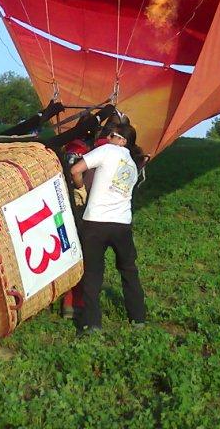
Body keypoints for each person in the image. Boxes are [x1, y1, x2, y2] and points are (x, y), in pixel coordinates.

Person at [68, 121, 146, 334]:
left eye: (111, 135)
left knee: (93, 273)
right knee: (129, 270)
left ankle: (92, 323)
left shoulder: (107, 150)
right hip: (122, 224)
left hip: (96, 222)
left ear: (121, 140)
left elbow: (75, 170)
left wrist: (80, 189)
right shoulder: (132, 164)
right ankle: (138, 317)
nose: (107, 138)